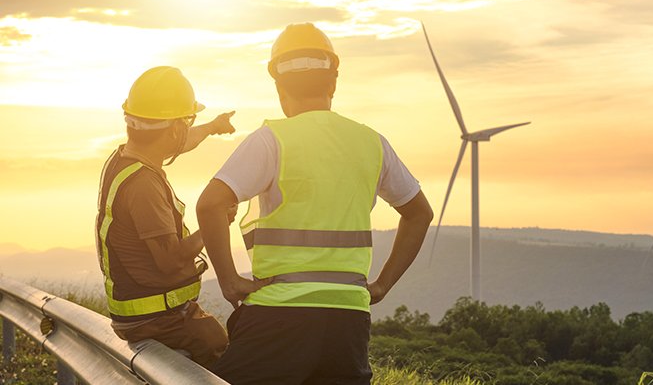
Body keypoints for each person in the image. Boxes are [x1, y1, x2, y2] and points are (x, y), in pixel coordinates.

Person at [196, 22, 434, 385]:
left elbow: (211, 204)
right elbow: (419, 213)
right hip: (348, 321)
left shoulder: (270, 140)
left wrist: (229, 282)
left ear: (279, 88)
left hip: (279, 315)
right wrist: (381, 285)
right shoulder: (372, 142)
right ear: (333, 83)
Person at [95, 66, 235, 370]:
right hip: (158, 320)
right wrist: (216, 223)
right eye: (185, 122)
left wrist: (212, 126)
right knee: (228, 357)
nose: (187, 129)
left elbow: (180, 141)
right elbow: (170, 261)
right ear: (172, 129)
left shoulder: (123, 159)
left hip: (138, 316)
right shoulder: (143, 185)